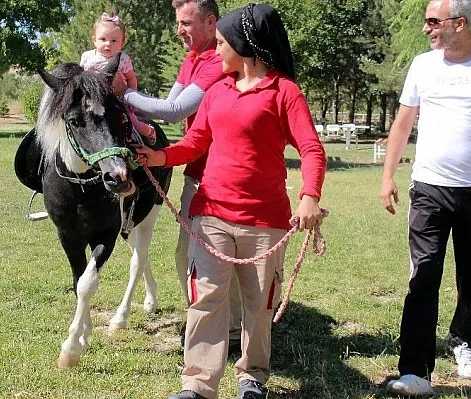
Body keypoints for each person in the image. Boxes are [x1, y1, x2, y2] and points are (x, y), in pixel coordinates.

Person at [136, 4, 326, 399]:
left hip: (266, 219)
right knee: (205, 298)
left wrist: (309, 196)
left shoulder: (284, 92)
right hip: (212, 213)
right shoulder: (217, 90)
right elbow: (195, 142)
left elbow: (311, 149)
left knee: (258, 306)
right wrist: (159, 156)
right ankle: (199, 385)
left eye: (222, 43)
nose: (216, 50)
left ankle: (252, 377)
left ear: (245, 45)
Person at [379, 0, 471, 396]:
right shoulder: (422, 65)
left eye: (433, 21)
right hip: (429, 187)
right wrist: (388, 175)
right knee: (424, 274)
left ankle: (463, 341)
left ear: (458, 24)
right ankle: (415, 370)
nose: (426, 28)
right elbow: (403, 122)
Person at [110, 0, 244, 350]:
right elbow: (168, 106)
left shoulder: (217, 60)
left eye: (186, 22)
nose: (179, 30)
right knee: (188, 256)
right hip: (197, 171)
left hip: (224, 175)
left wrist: (127, 93)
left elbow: (175, 111)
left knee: (211, 257)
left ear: (211, 21)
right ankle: (212, 326)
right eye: (178, 22)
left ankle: (229, 332)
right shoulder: (192, 60)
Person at [81, 12, 156, 145]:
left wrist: (132, 98)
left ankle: (149, 131)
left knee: (132, 122)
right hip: (94, 99)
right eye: (103, 39)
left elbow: (131, 78)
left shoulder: (123, 59)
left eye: (114, 40)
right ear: (94, 40)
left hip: (118, 100)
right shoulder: (87, 57)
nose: (108, 44)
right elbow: (81, 78)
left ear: (122, 43)